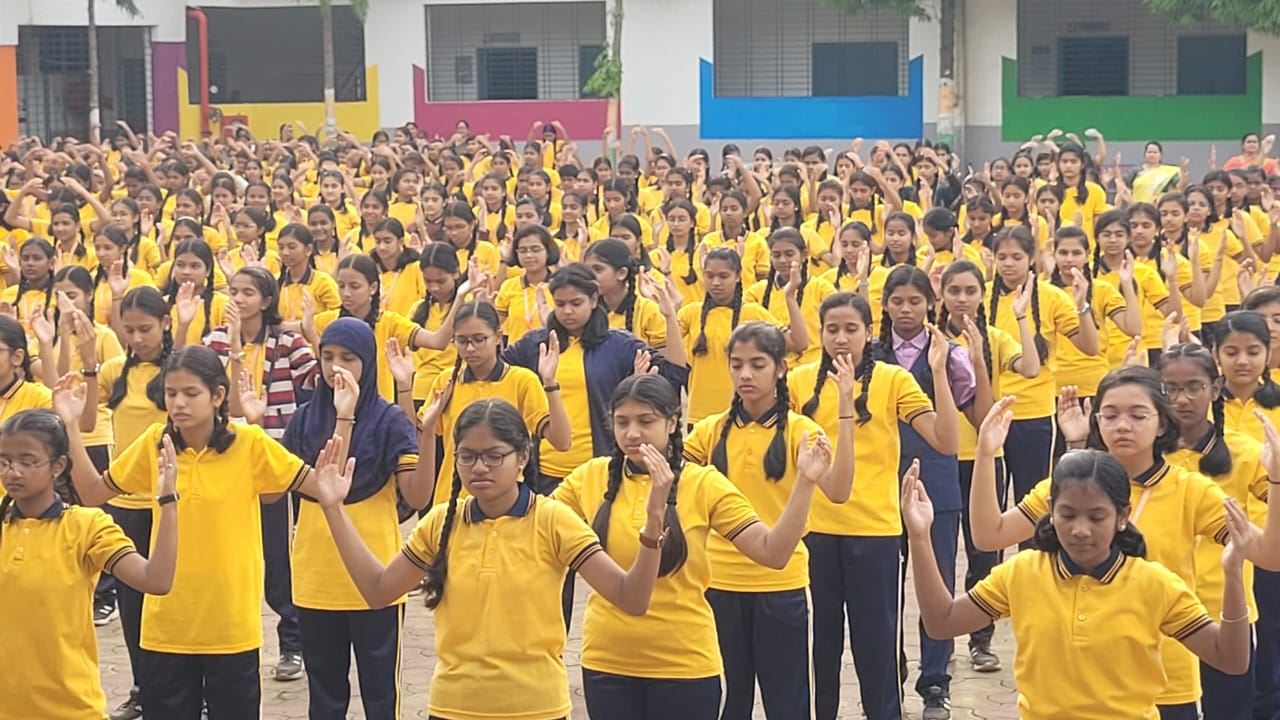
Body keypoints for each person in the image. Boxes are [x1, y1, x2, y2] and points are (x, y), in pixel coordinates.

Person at [309, 398, 667, 720]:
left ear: (522, 457)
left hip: (537, 707)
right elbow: (378, 591)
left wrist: (652, 527)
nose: (479, 467)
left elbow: (631, 599)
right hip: (453, 706)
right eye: (467, 456)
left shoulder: (552, 520)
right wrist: (333, 509)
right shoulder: (441, 522)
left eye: (494, 456)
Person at [57, 346, 338, 719]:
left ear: (217, 396)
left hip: (231, 626)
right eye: (171, 393)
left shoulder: (249, 443)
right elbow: (93, 493)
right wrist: (71, 426)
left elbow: (322, 487)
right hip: (166, 626)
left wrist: (344, 419)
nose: (178, 403)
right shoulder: (155, 443)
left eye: (191, 393)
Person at [906, 442, 1252, 720]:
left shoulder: (1155, 584)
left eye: (1097, 517)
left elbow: (1231, 658)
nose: (1080, 530)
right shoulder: (1022, 573)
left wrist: (1233, 575)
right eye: (1068, 515)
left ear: (1122, 517)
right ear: (1051, 510)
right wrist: (920, 538)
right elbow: (942, 622)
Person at [553, 374, 831, 718]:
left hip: (684, 664)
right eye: (622, 422)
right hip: (606, 661)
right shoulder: (590, 477)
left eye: (646, 421)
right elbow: (539, 525)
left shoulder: (703, 483)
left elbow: (772, 552)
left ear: (672, 423)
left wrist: (805, 482)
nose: (632, 433)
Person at [684, 322, 840, 720]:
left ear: (781, 368)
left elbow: (838, 490)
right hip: (718, 582)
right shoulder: (709, 431)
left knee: (787, 700)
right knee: (729, 698)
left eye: (757, 364)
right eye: (736, 365)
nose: (745, 375)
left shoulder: (803, 431)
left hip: (780, 584)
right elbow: (674, 480)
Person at [283, 318, 424, 719]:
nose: (335, 367)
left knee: (380, 695)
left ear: (367, 362)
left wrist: (355, 414)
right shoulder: (305, 418)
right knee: (324, 696)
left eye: (348, 358)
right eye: (327, 356)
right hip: (316, 577)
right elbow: (309, 486)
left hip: (377, 577)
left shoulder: (389, 420)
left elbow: (415, 496)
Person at [0, 409, 178, 720]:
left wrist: (168, 503)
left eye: (28, 461)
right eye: (4, 461)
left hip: (70, 707)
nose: (13, 472)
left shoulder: (86, 526)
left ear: (58, 466)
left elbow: (156, 580)